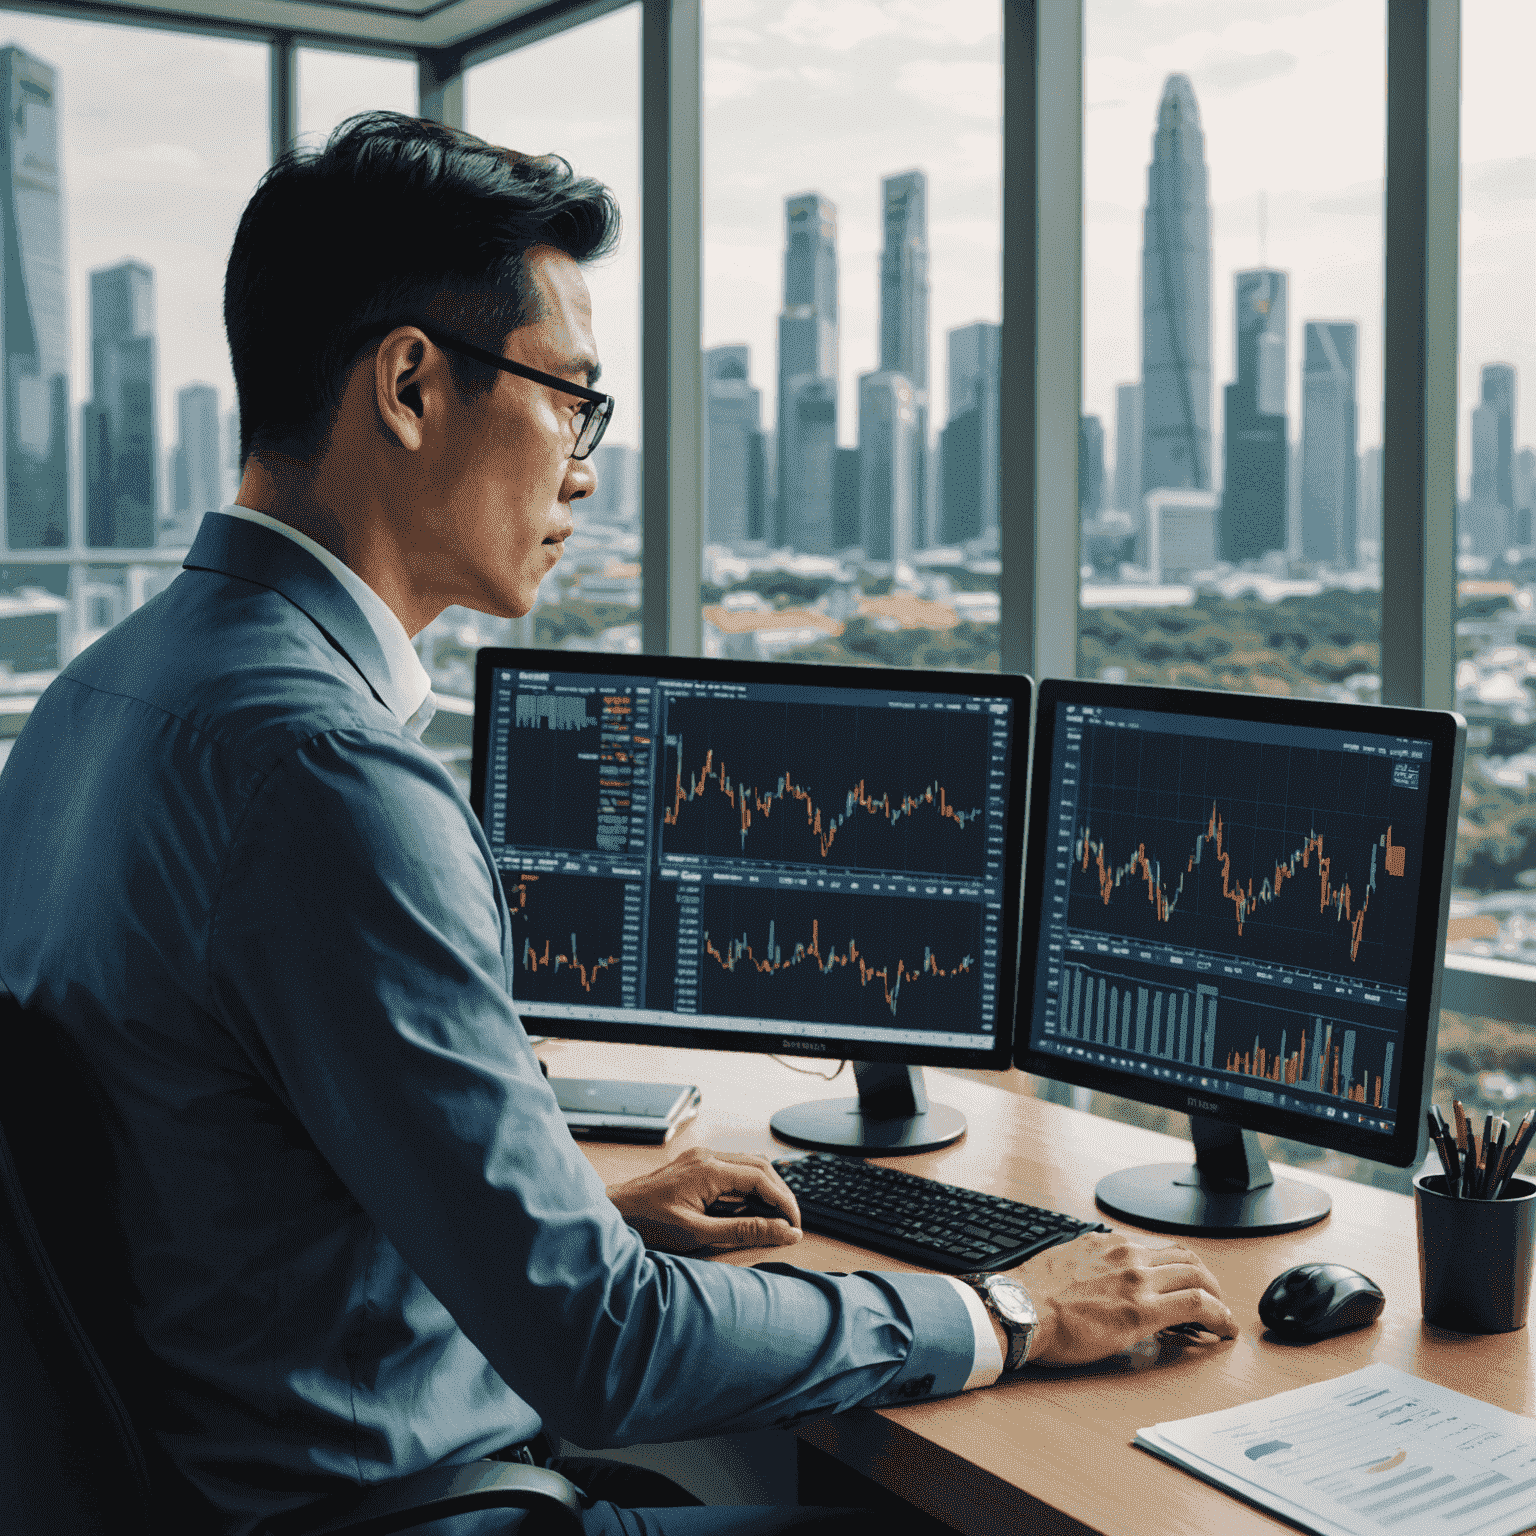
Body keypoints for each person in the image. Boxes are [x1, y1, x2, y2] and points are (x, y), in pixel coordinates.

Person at [0, 113, 1236, 1536]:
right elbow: (607, 1351)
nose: (587, 466)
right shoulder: (327, 779)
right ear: (409, 384)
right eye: (571, 396)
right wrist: (1010, 1307)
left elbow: (214, 1191)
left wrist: (590, 1226)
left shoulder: (95, 698)